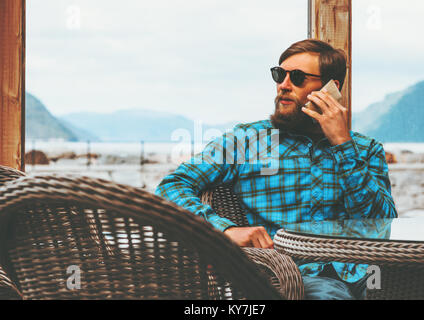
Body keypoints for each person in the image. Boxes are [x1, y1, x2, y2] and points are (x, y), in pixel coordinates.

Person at [155, 39, 398, 299]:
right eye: (280, 75)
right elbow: (170, 187)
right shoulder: (247, 140)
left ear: (331, 88)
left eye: (298, 77)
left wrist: (342, 145)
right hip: (294, 276)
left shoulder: (365, 149)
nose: (283, 85)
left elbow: (381, 224)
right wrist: (223, 230)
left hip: (368, 273)